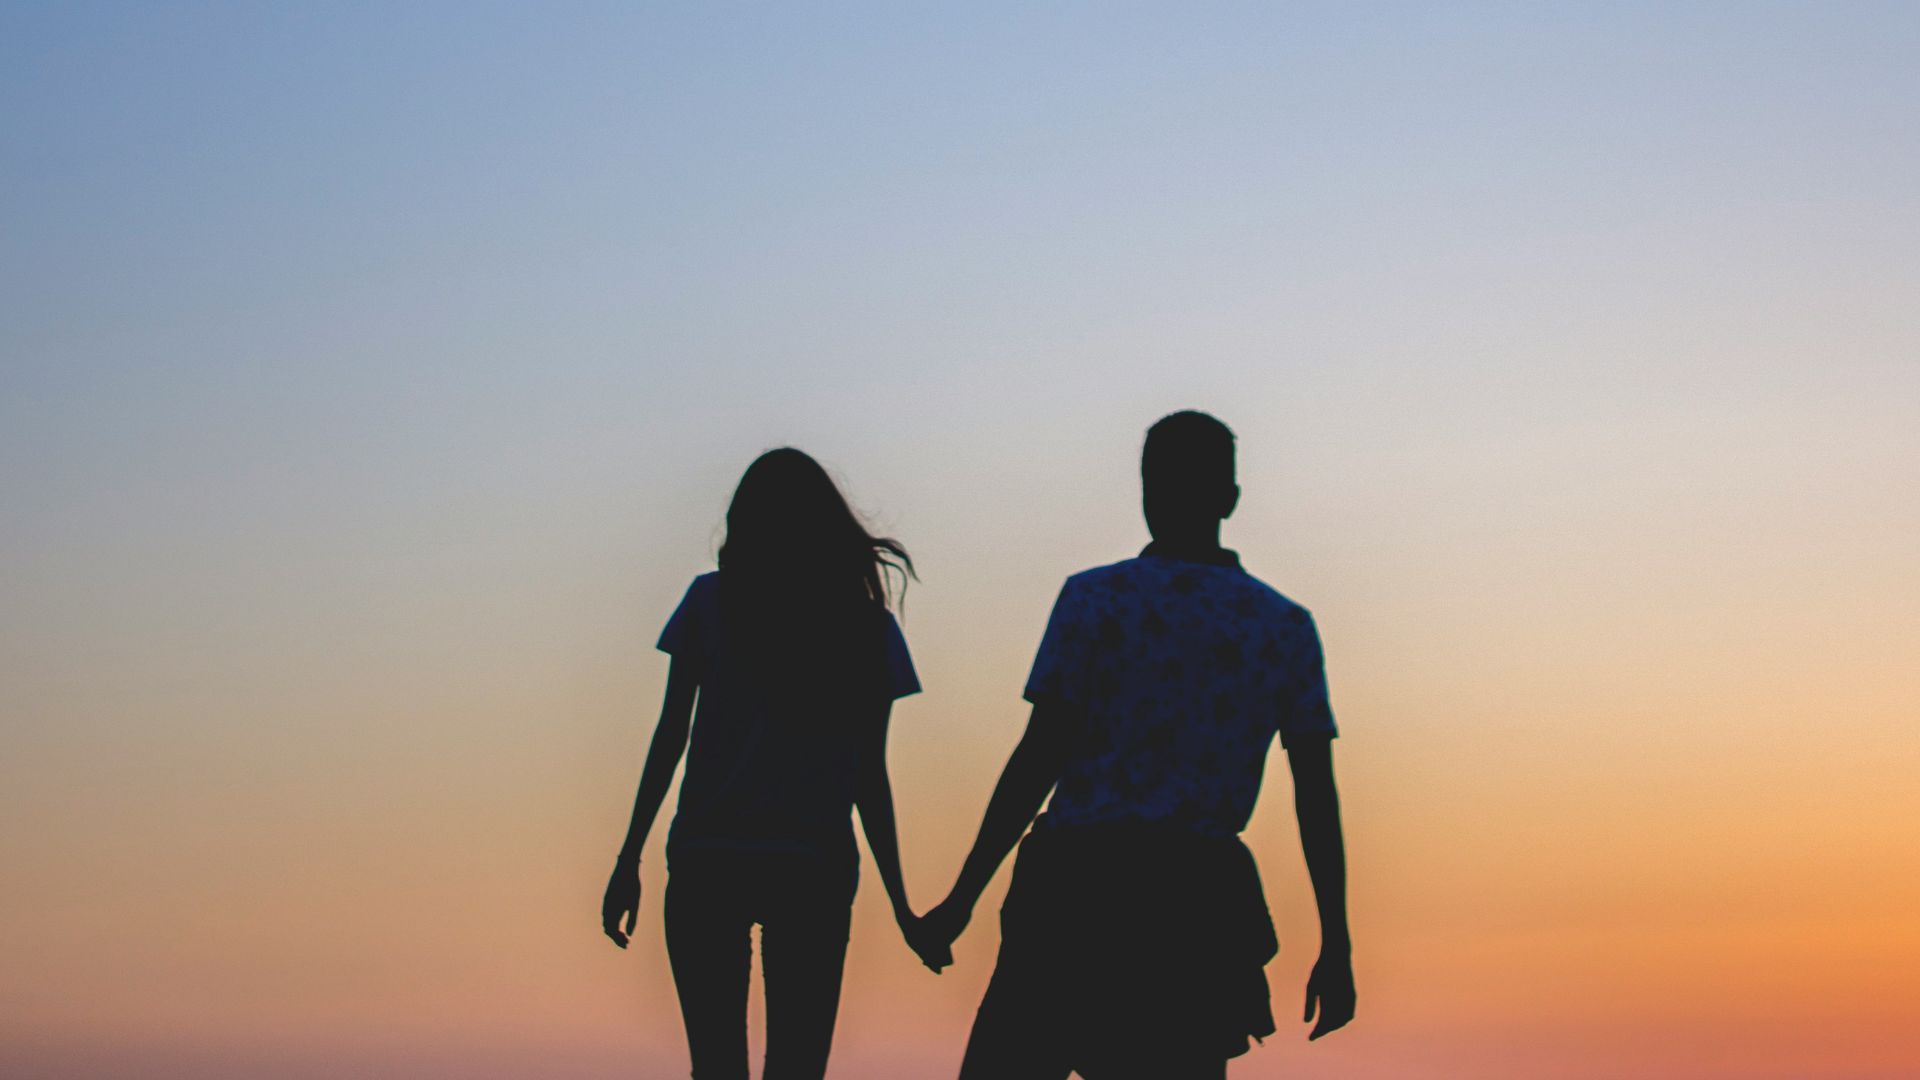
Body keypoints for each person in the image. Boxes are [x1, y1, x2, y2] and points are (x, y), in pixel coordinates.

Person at [910, 411, 1357, 1080]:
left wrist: (962, 897)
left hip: (1073, 896)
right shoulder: (1280, 626)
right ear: (1229, 498)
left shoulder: (1095, 601)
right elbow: (1315, 797)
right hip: (1194, 908)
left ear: (1147, 491)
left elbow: (1040, 757)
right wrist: (1337, 944)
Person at [601, 447, 927, 1080]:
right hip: (812, 867)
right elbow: (869, 777)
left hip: (707, 859)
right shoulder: (865, 628)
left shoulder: (709, 603)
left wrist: (627, 859)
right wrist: (901, 905)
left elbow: (671, 735)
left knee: (715, 1069)